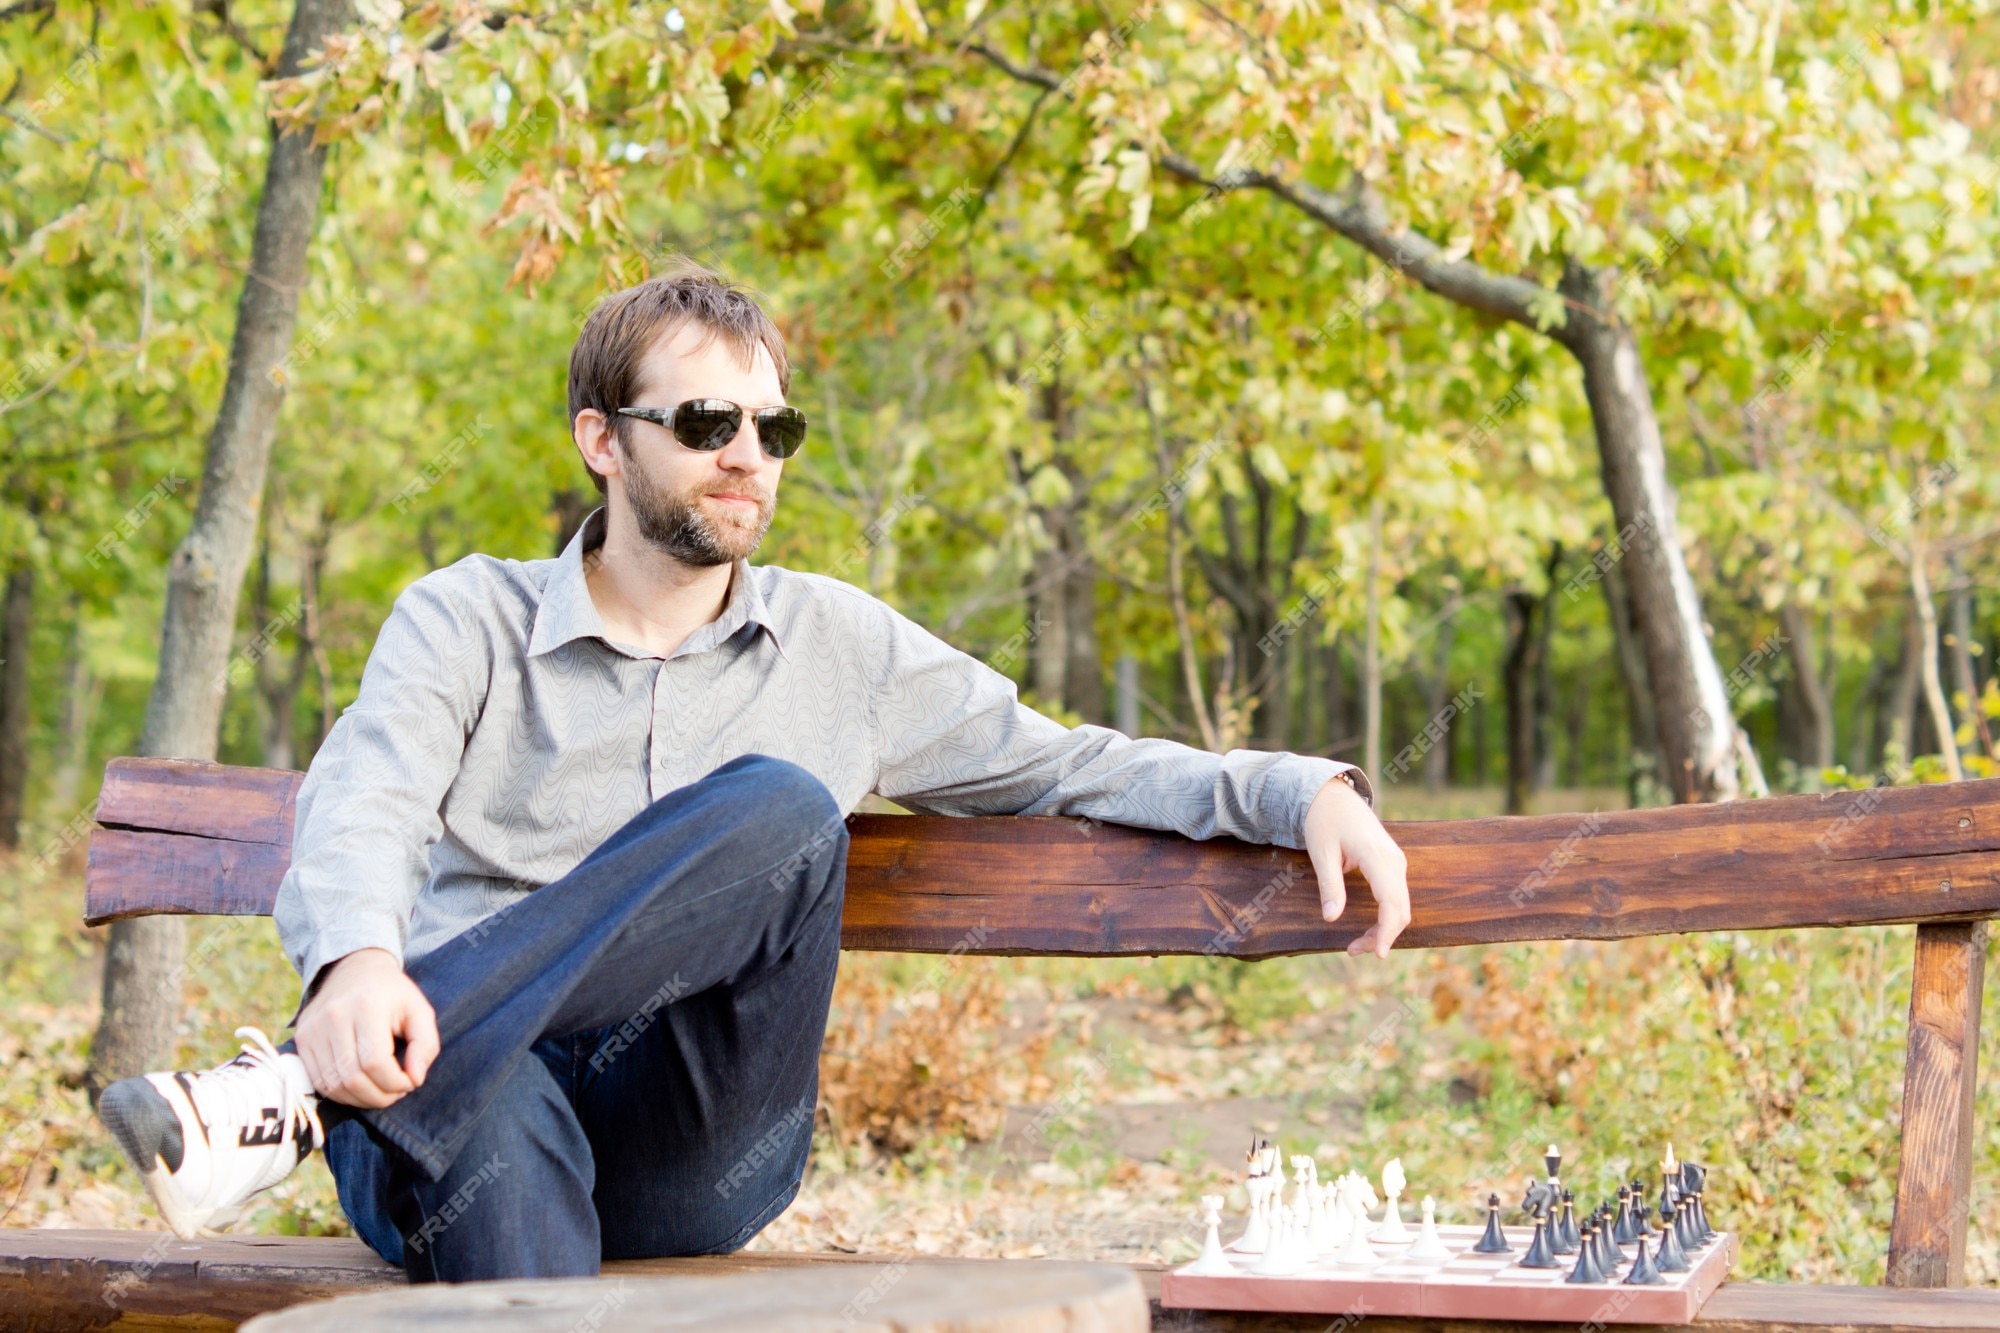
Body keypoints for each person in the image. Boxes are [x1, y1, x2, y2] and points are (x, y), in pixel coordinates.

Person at [97, 260, 1412, 1281]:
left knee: (782, 805)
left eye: (773, 427)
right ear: (602, 441)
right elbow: (367, 796)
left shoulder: (840, 644)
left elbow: (1065, 764)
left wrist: (1297, 791)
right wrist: (355, 965)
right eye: (709, 418)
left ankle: (284, 1099)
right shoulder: (466, 618)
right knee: (481, 1108)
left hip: (693, 1140)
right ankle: (357, 1084)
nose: (747, 453)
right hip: (447, 1107)